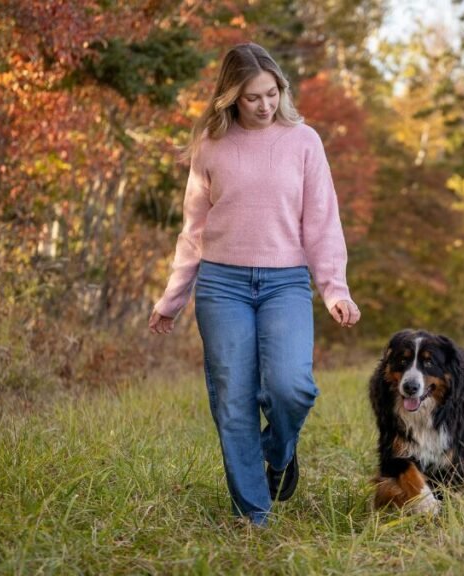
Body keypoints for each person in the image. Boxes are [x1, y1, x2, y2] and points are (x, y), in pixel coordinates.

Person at [148, 42, 361, 526]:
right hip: (222, 285)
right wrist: (172, 298)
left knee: (292, 387)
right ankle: (253, 515)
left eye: (272, 93)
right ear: (230, 99)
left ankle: (278, 453)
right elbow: (194, 231)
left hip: (286, 282)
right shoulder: (210, 146)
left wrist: (335, 289)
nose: (265, 105)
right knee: (234, 400)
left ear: (281, 89)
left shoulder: (304, 140)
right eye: (252, 98)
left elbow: (322, 222)